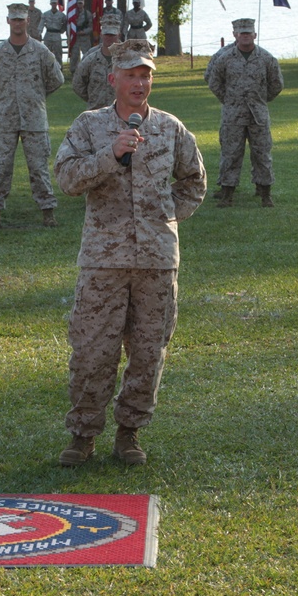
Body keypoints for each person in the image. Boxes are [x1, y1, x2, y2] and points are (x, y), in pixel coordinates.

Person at [54, 39, 206, 467]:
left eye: (146, 76)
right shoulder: (88, 126)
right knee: (92, 349)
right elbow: (66, 178)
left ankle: (129, 431)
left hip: (157, 262)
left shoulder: (170, 128)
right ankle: (83, 433)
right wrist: (110, 155)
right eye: (132, 75)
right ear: (112, 79)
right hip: (104, 260)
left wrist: (164, 218)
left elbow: (194, 181)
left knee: (147, 350)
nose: (140, 83)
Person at [0, 2, 65, 228]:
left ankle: (47, 211)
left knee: (38, 167)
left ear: (28, 21)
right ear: (7, 21)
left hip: (34, 119)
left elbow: (56, 79)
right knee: (1, 167)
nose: (17, 23)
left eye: (21, 19)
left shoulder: (40, 51)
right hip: (5, 119)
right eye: (13, 19)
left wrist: (36, 95)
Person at [207, 18, 284, 208]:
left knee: (262, 154)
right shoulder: (225, 58)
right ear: (235, 35)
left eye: (248, 33)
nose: (245, 36)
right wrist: (229, 100)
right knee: (230, 153)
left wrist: (260, 101)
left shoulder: (266, 58)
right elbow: (213, 81)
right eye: (242, 33)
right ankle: (227, 194)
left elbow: (277, 84)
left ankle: (265, 193)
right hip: (233, 115)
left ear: (255, 35)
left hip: (258, 116)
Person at [72, 14, 121, 109]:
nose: (109, 38)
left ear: (118, 34)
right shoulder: (91, 57)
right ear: (101, 34)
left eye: (112, 35)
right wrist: (93, 98)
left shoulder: (127, 57)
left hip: (121, 113)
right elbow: (77, 83)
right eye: (106, 34)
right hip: (95, 113)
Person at [39, 0, 67, 67]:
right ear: (50, 4)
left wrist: (62, 30)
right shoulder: (45, 14)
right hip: (48, 34)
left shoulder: (61, 15)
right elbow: (41, 24)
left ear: (57, 4)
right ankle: (46, 67)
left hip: (57, 35)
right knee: (46, 52)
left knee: (58, 53)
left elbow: (66, 23)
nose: (54, 5)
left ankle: (59, 68)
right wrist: (39, 32)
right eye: (52, 3)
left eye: (55, 3)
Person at [71, 0, 93, 74]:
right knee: (74, 55)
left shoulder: (88, 14)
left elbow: (91, 27)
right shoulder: (72, 13)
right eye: (78, 3)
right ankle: (73, 71)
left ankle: (87, 70)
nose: (79, 5)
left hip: (84, 37)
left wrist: (84, 32)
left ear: (83, 4)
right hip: (75, 38)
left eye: (81, 3)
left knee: (87, 55)